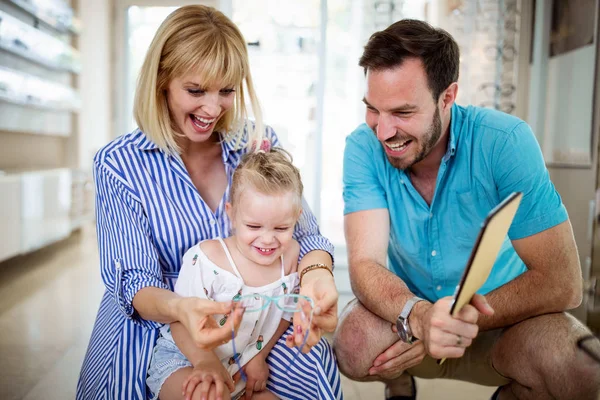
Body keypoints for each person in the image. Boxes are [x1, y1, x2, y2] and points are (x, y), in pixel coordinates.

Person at [77, 5, 340, 399]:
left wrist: (318, 274)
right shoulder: (119, 164)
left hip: (255, 327)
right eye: (196, 90)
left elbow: (305, 234)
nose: (213, 109)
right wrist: (184, 312)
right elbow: (133, 281)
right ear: (162, 82)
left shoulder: (257, 145)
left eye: (227, 91)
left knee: (311, 374)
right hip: (160, 323)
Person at [333, 19, 600, 400]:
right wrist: (421, 317)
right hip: (413, 326)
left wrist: (463, 317)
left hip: (504, 326)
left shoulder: (505, 142)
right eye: (373, 109)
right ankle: (398, 382)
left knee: (582, 367)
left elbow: (564, 281)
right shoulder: (362, 147)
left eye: (403, 113)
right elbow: (364, 264)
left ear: (447, 96)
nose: (382, 132)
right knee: (351, 345)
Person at [147, 148, 326, 400]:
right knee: (205, 395)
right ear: (231, 214)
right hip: (186, 358)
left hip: (241, 362)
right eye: (253, 226)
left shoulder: (292, 256)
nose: (267, 239)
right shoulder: (207, 258)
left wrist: (259, 355)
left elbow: (285, 312)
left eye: (282, 227)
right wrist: (205, 362)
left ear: (296, 218)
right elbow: (180, 321)